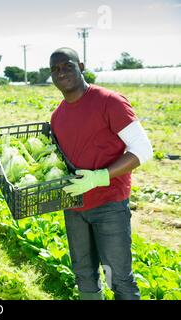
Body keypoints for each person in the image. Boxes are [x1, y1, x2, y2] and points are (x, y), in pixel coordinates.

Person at [49, 47, 153, 300]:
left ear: (81, 66)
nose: (61, 73)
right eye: (55, 69)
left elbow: (143, 150)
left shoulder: (109, 101)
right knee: (84, 275)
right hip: (74, 206)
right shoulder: (57, 116)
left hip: (109, 204)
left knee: (118, 278)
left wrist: (99, 177)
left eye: (67, 66)